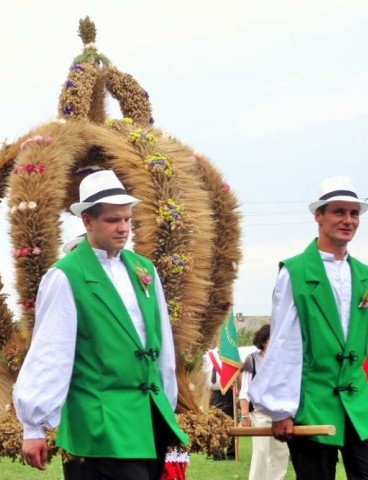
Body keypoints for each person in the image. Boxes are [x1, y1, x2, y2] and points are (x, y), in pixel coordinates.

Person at [13, 170, 188, 480]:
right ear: (87, 222)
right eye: (112, 220)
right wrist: (33, 425)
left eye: (127, 219)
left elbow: (161, 343)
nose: (123, 228)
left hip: (147, 419)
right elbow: (50, 352)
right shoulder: (65, 275)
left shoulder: (143, 269)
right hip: (98, 424)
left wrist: (167, 401)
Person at [249, 176, 368, 480]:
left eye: (353, 214)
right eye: (339, 212)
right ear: (319, 216)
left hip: (359, 402)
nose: (348, 220)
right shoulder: (295, 272)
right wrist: (281, 409)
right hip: (311, 402)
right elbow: (285, 342)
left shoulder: (364, 275)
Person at [238, 324, 288, 480]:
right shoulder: (252, 360)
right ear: (264, 341)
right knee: (261, 454)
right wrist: (245, 417)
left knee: (281, 454)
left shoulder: (285, 360)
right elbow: (244, 392)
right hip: (260, 415)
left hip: (282, 415)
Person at [202, 339, 236, 460]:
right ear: (217, 340)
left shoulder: (233, 355)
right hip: (215, 392)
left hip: (230, 391)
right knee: (215, 422)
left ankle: (233, 453)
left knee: (232, 421)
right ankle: (218, 453)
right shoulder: (208, 355)